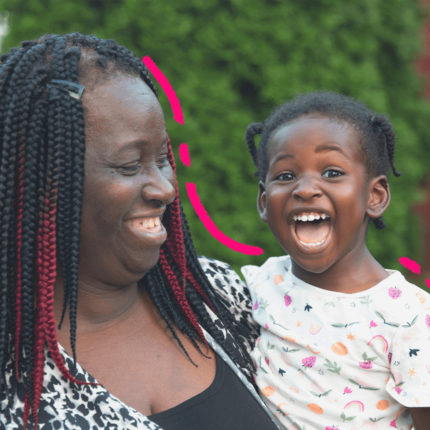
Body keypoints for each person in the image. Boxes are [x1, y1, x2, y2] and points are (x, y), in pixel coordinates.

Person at [0, 33, 280, 430]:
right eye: (130, 166)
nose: (165, 188)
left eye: (163, 158)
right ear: (45, 184)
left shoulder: (216, 296)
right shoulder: (15, 386)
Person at [242, 91, 430, 429]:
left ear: (375, 196)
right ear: (264, 201)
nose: (305, 189)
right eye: (285, 176)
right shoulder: (260, 283)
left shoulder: (410, 318)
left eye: (331, 172)